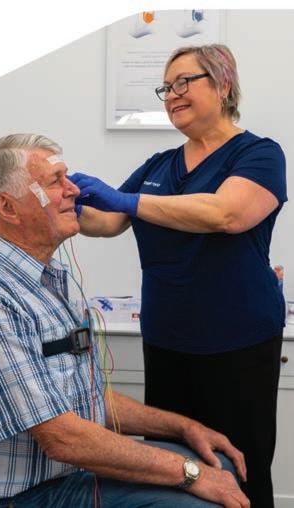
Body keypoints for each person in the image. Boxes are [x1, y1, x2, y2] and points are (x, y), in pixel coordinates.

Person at [0, 133, 250, 508]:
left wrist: (184, 427)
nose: (74, 190)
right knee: (204, 500)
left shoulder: (50, 278)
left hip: (66, 474)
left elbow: (86, 399)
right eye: (55, 181)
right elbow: (62, 437)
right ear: (7, 207)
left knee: (218, 461)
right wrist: (189, 474)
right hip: (19, 496)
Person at [70, 44, 287, 508]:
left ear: (223, 85)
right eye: (166, 88)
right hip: (167, 342)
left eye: (184, 82)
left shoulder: (259, 155)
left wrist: (128, 201)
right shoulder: (159, 166)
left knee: (239, 467)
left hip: (238, 345)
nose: (171, 95)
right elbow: (106, 220)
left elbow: (226, 214)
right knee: (170, 470)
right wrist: (61, 204)